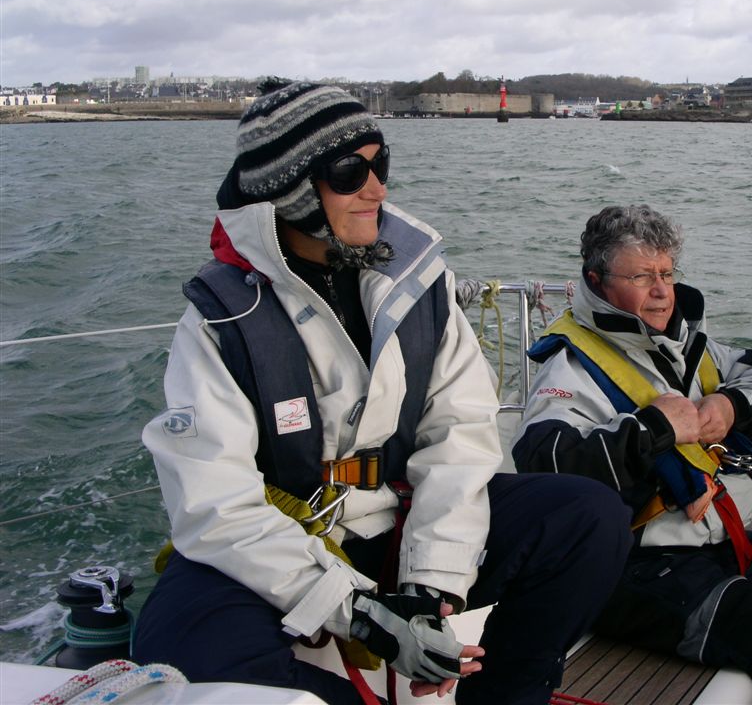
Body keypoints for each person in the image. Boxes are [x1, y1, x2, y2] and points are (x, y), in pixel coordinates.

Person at [132, 79, 633, 705]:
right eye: (350, 173)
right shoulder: (222, 319)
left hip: (396, 517)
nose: (378, 189)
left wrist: (430, 588)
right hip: (282, 542)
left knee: (588, 518)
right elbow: (215, 504)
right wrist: (362, 615)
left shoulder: (419, 285)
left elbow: (459, 436)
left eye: (381, 165)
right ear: (292, 190)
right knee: (183, 650)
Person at [512, 204, 752, 705]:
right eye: (642, 276)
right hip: (643, 568)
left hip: (729, 543)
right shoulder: (570, 366)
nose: (662, 290)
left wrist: (728, 406)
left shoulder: (692, 345)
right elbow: (544, 462)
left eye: (666, 273)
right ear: (597, 281)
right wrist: (654, 428)